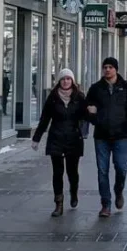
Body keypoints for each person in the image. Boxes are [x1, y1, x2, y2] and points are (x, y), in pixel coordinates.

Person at [87, 58, 127, 217]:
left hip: (120, 135)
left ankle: (118, 190)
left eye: (110, 67)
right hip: (101, 136)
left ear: (116, 69)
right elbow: (87, 107)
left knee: (121, 168)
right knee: (102, 171)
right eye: (105, 67)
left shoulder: (126, 87)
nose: (107, 70)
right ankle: (106, 204)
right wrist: (93, 118)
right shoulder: (96, 88)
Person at [33, 69, 89, 216]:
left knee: (72, 171)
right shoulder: (52, 98)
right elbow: (45, 119)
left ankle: (74, 191)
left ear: (72, 81)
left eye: (68, 79)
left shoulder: (79, 97)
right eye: (63, 79)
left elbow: (87, 116)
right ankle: (58, 203)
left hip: (73, 138)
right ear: (59, 81)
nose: (65, 82)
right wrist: (36, 138)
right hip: (56, 138)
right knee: (57, 172)